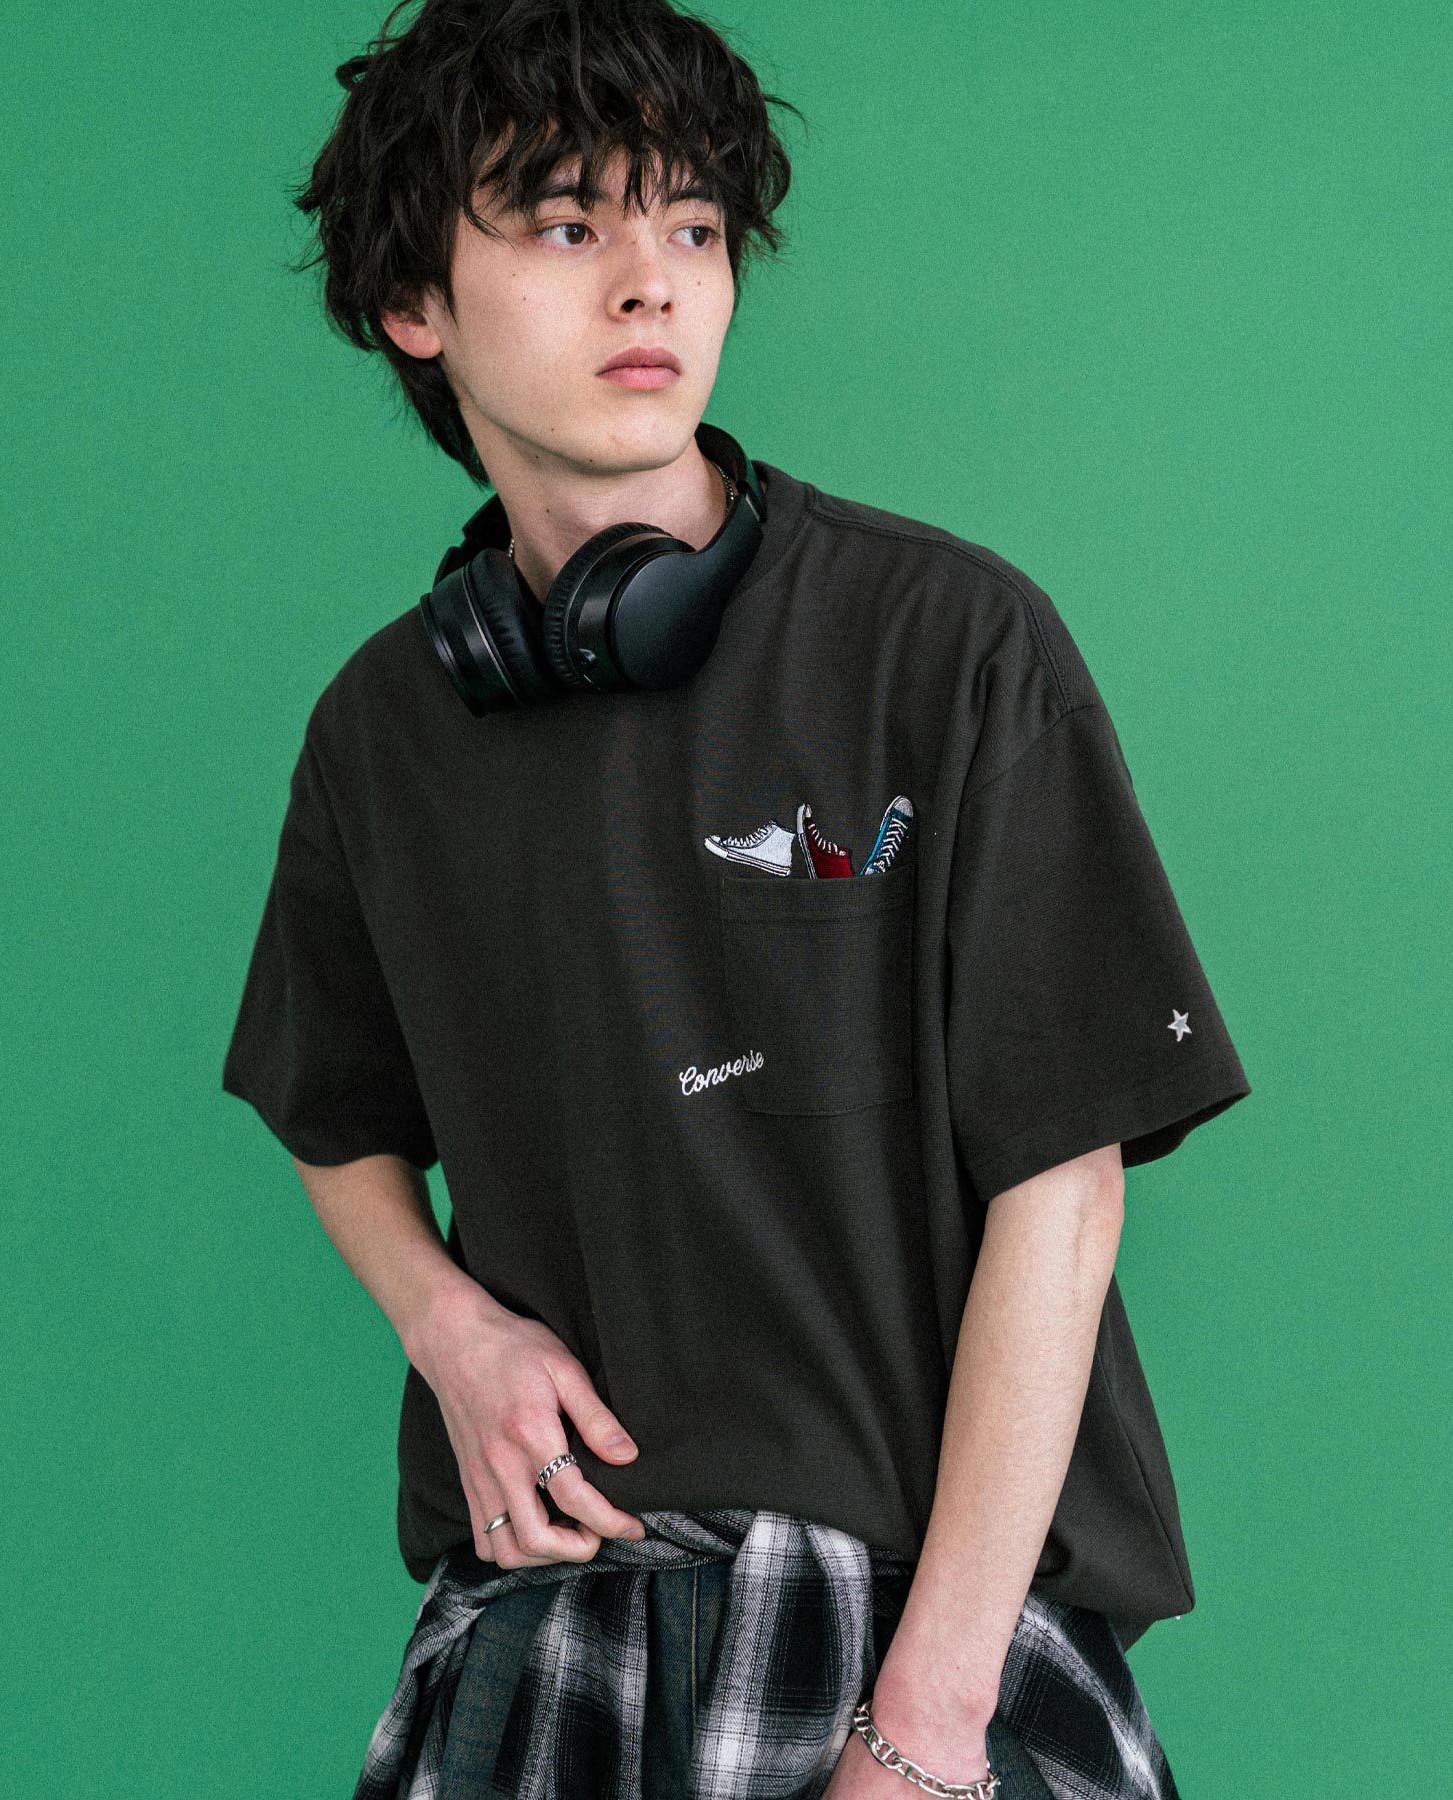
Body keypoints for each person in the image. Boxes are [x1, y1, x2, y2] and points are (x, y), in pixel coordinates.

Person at [220, 3, 1252, 1796]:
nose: (654, 283)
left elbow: (1067, 1187)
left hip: (922, 1637)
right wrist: (449, 1328)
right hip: (550, 1632)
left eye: (690, 227)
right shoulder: (383, 732)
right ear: (410, 302)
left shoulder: (944, 644)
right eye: (568, 224)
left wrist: (926, 1730)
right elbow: (330, 1105)